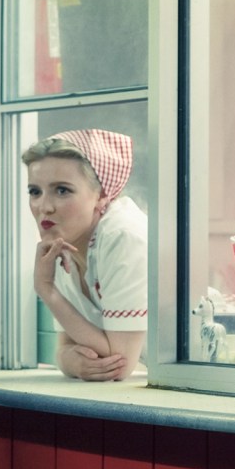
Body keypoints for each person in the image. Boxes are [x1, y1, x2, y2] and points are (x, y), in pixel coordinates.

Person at [23, 129, 148, 381]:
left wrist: (46, 289)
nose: (44, 207)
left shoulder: (122, 236)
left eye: (62, 190)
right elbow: (65, 348)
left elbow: (120, 364)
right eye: (35, 191)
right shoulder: (65, 241)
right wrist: (69, 361)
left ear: (102, 195)